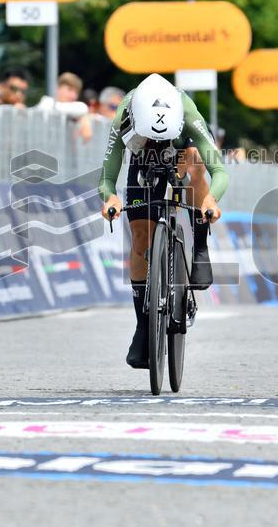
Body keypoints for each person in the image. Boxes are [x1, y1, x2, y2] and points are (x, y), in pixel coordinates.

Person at [98, 73, 228, 369]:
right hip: (142, 159)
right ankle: (143, 325)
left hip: (183, 152)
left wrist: (211, 200)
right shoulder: (124, 114)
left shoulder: (188, 112)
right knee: (140, 238)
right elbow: (107, 176)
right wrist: (110, 198)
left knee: (195, 160)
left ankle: (200, 246)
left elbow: (220, 171)